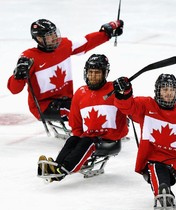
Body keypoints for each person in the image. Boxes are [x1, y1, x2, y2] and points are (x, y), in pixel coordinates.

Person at [113, 74, 176, 210]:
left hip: (174, 165)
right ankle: (162, 191)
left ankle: (164, 190)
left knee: (159, 169)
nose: (169, 93)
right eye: (165, 90)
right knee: (155, 166)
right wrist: (124, 92)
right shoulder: (146, 105)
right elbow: (127, 107)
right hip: (149, 160)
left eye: (172, 90)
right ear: (157, 91)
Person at [7, 18, 124, 121]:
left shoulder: (64, 46)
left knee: (96, 101)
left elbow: (86, 42)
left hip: (67, 100)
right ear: (39, 38)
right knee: (81, 110)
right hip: (44, 106)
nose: (54, 38)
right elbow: (14, 90)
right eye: (49, 36)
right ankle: (94, 131)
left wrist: (107, 33)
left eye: (54, 34)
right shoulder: (29, 58)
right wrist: (18, 76)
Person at [37, 54, 128, 182]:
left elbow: (128, 103)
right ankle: (57, 166)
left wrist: (126, 90)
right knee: (73, 140)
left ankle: (63, 171)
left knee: (87, 141)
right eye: (90, 72)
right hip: (89, 136)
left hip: (110, 138)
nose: (93, 76)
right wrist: (77, 138)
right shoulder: (81, 93)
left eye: (97, 73)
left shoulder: (114, 89)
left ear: (105, 74)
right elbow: (76, 124)